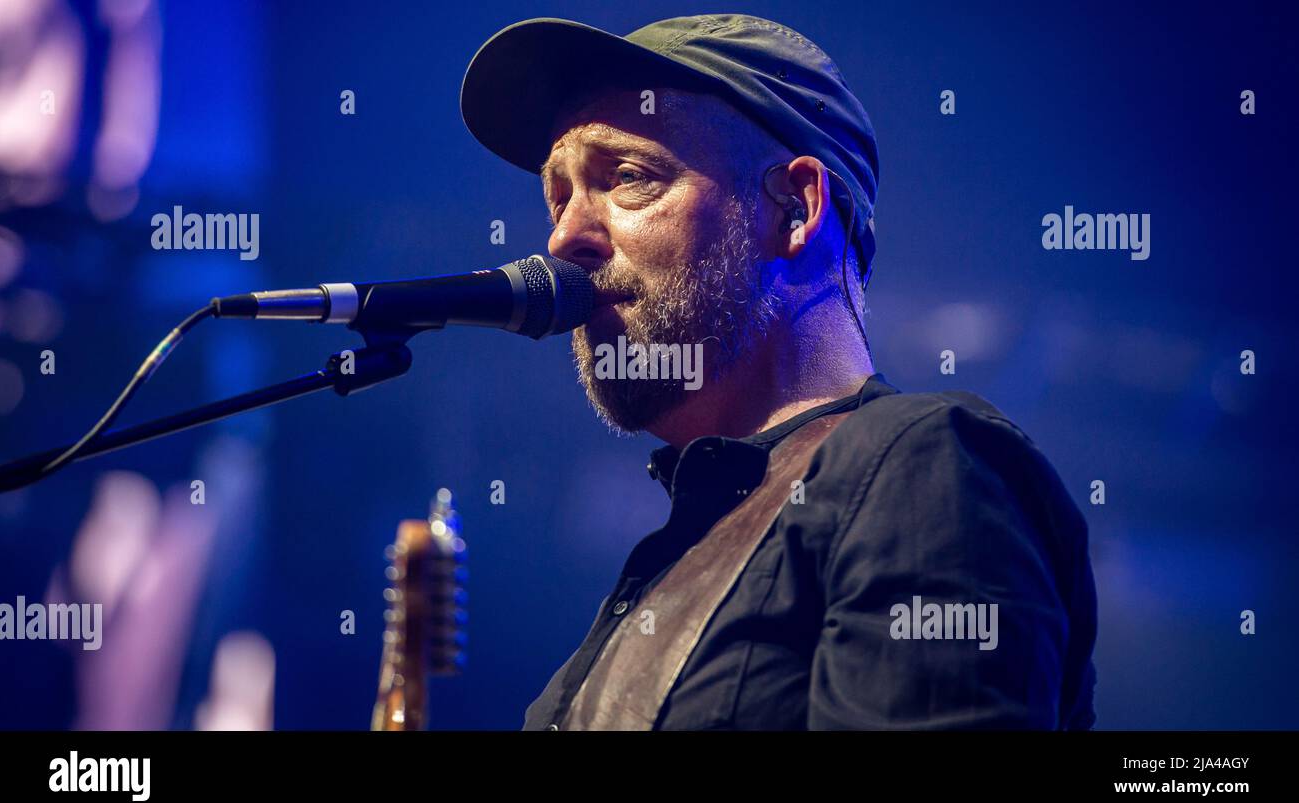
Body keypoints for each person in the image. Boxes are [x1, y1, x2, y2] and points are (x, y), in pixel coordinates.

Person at [460, 14, 1097, 730]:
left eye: (628, 177)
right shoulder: (680, 554)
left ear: (796, 207)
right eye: (560, 196)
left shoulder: (922, 464)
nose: (563, 236)